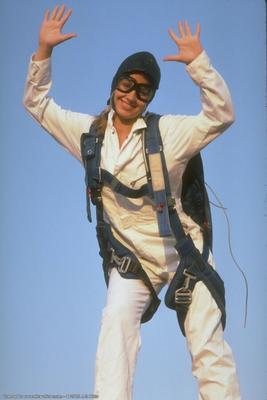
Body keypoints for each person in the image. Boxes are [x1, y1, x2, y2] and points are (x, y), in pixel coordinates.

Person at [23, 4, 241, 400]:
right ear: (113, 84)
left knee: (207, 347)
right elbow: (37, 105)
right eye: (126, 84)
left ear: (150, 97)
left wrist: (200, 66)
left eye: (143, 90)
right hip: (132, 259)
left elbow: (221, 115)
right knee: (115, 329)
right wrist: (43, 51)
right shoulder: (90, 137)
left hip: (184, 253)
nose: (131, 95)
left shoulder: (167, 135)